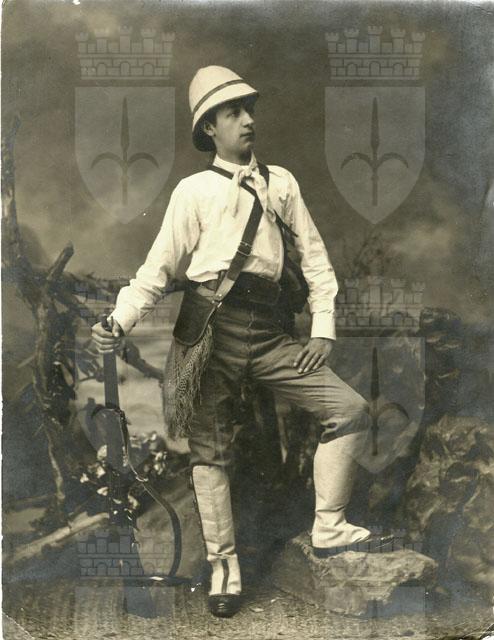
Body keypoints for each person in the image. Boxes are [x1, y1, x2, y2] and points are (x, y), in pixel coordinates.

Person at [91, 65, 393, 618]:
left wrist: (323, 330)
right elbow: (157, 271)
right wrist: (118, 322)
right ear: (209, 128)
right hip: (211, 333)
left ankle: (328, 526)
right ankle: (223, 566)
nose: (247, 120)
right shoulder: (193, 191)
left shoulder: (281, 184)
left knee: (349, 410)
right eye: (233, 113)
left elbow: (317, 261)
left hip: (272, 334)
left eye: (248, 109)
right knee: (210, 450)